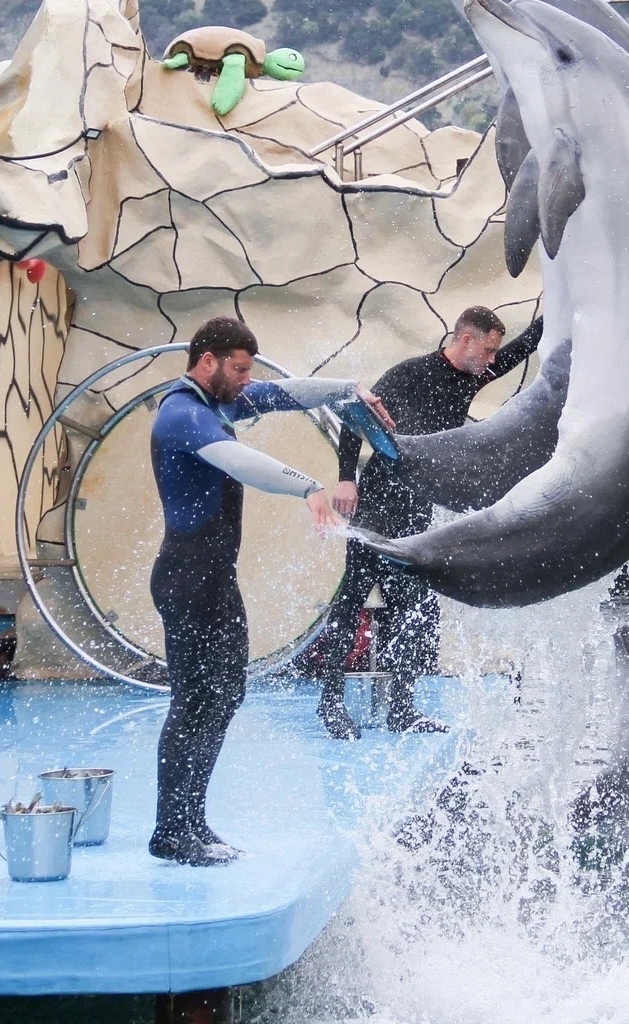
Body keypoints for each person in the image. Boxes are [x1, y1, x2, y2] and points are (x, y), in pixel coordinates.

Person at [148, 316, 393, 866]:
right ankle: (170, 829)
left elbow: (283, 394)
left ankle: (192, 820)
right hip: (185, 579)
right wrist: (309, 487)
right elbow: (243, 463)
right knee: (193, 702)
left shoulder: (217, 401)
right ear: (206, 360)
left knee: (225, 694)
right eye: (237, 370)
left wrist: (344, 389)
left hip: (215, 579)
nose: (245, 382)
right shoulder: (181, 414)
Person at [320, 306, 543, 740]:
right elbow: (355, 417)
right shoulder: (410, 373)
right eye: (488, 349)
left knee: (416, 613)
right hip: (378, 506)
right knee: (352, 603)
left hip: (419, 511)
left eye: (496, 350)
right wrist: (347, 479)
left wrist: (561, 295)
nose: (494, 359)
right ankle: (330, 703)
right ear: (465, 340)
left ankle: (402, 708)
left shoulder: (473, 376)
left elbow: (522, 348)